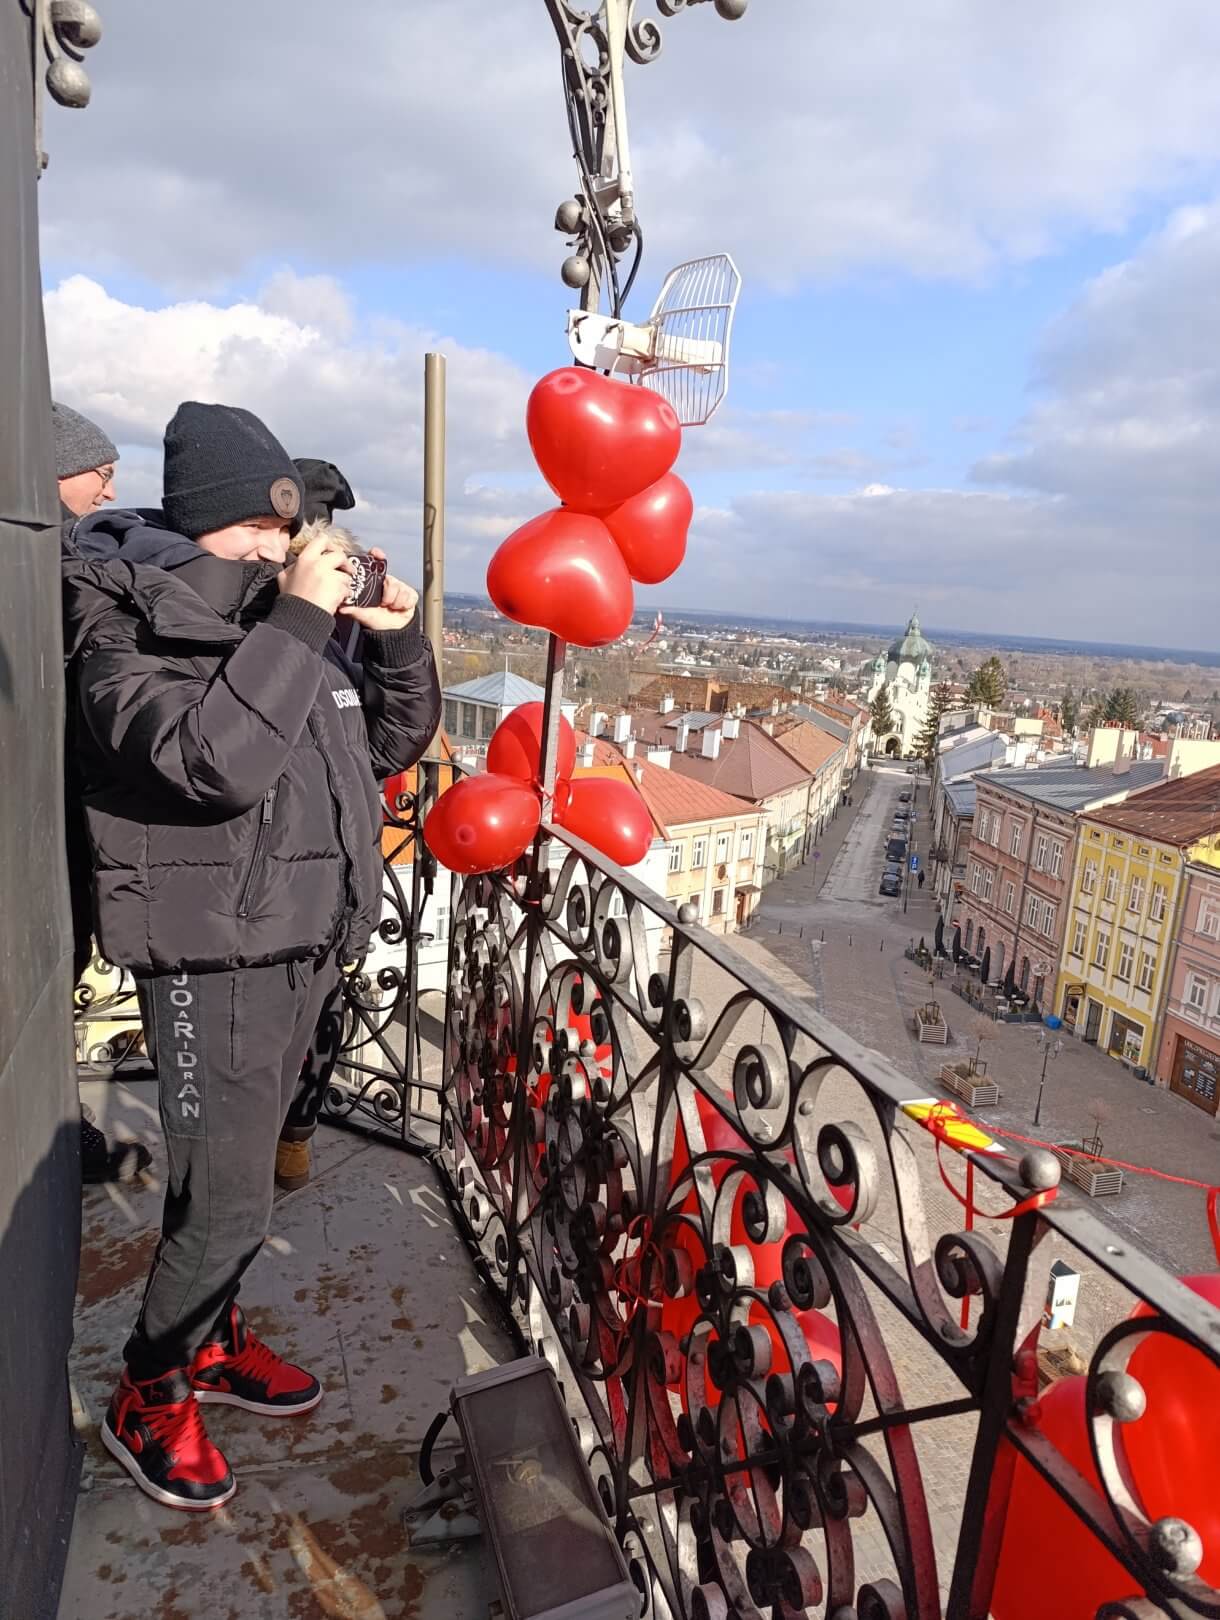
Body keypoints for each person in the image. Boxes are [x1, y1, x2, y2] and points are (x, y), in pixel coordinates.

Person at [63, 401, 440, 1510]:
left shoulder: (277, 619)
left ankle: (211, 1342)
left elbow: (385, 743)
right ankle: (150, 1389)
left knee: (239, 1192)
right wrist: (293, 617)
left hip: (301, 941)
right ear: (216, 523)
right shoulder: (117, 616)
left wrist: (398, 634)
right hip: (214, 957)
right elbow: (209, 762)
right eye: (271, 532)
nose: (291, 550)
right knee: (223, 1201)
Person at [55, 401, 153, 1184]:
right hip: (54, 820)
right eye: (102, 473)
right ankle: (61, 1139)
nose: (108, 492)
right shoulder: (57, 562)